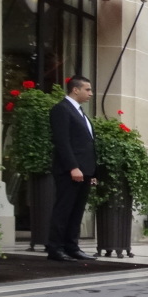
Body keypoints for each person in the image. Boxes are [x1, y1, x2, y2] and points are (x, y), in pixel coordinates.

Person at [45, 75, 97, 262]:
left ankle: (71, 246)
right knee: (64, 208)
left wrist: (91, 172)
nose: (90, 93)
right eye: (87, 89)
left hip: (85, 171)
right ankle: (55, 247)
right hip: (70, 171)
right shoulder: (61, 109)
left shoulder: (80, 111)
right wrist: (73, 167)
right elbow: (62, 142)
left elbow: (87, 144)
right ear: (75, 89)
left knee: (77, 210)